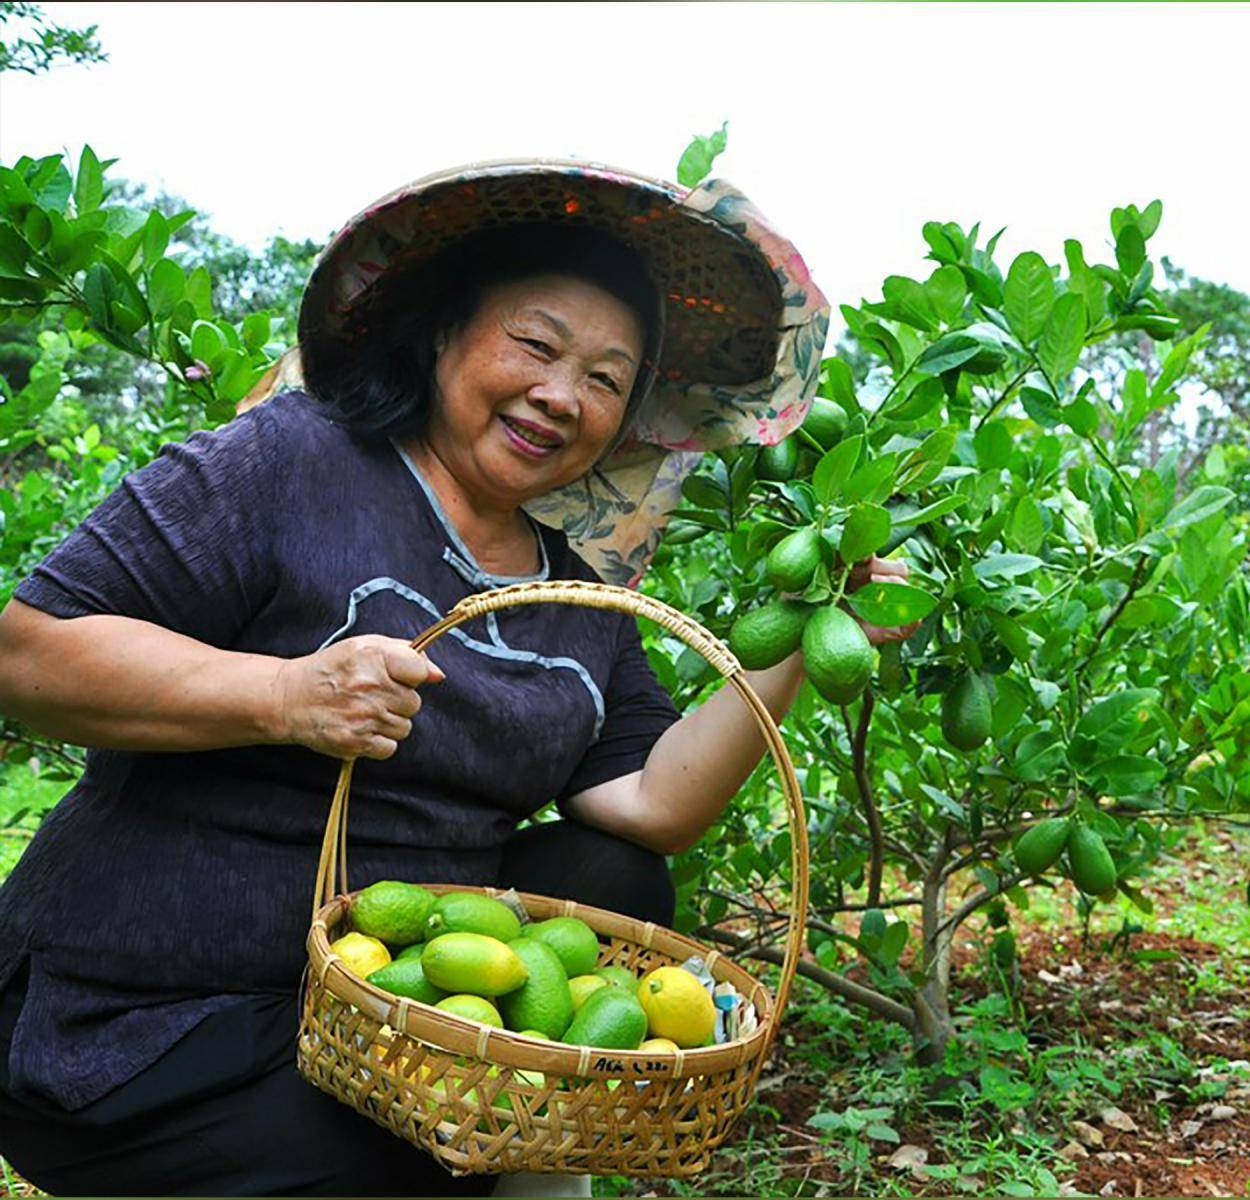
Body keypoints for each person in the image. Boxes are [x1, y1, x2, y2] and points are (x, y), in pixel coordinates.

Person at [0, 159, 917, 1195]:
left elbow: (653, 802)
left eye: (608, 380)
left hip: (380, 1008)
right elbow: (27, 653)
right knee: (433, 1154)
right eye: (536, 343)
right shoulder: (289, 463)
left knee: (612, 879)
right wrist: (284, 695)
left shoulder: (580, 594)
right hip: (136, 1023)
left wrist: (807, 634)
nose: (561, 395)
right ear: (444, 332)